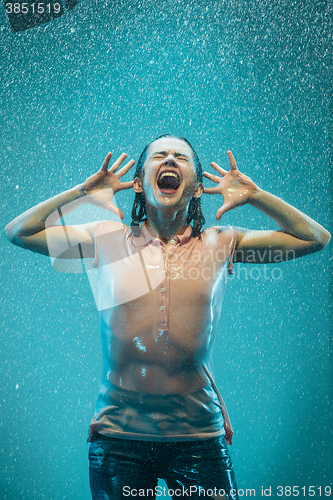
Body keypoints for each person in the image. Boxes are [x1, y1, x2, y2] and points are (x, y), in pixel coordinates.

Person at [5, 135, 330, 500]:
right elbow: (19, 232)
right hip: (119, 439)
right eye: (159, 156)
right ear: (140, 185)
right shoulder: (107, 239)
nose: (170, 159)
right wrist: (82, 192)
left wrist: (257, 196)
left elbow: (315, 238)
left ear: (196, 189)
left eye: (181, 157)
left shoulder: (221, 243)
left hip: (199, 437)